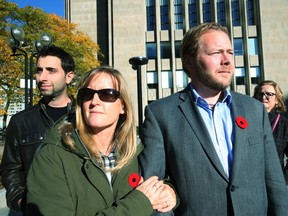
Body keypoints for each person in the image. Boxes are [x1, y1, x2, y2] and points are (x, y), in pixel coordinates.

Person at [139, 22, 288, 215]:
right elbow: (152, 190)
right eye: (216, 53)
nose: (227, 60)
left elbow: (274, 182)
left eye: (230, 52)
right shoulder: (160, 114)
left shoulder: (255, 110)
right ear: (189, 62)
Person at [25, 66, 177, 215]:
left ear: (123, 106)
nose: (94, 101)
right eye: (87, 94)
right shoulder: (52, 156)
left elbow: (162, 181)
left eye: (107, 94)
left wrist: (171, 193)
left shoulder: (137, 151)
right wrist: (139, 203)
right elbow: (143, 199)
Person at [0, 45, 75, 213]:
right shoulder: (21, 121)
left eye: (51, 70)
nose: (42, 77)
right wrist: (21, 201)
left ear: (69, 77)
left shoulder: (84, 118)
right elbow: (10, 168)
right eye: (39, 70)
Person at [253, 80, 288, 184]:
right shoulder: (248, 120)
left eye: (269, 94)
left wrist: (283, 179)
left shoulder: (284, 124)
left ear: (277, 99)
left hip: (275, 183)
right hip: (251, 182)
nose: (264, 97)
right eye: (260, 94)